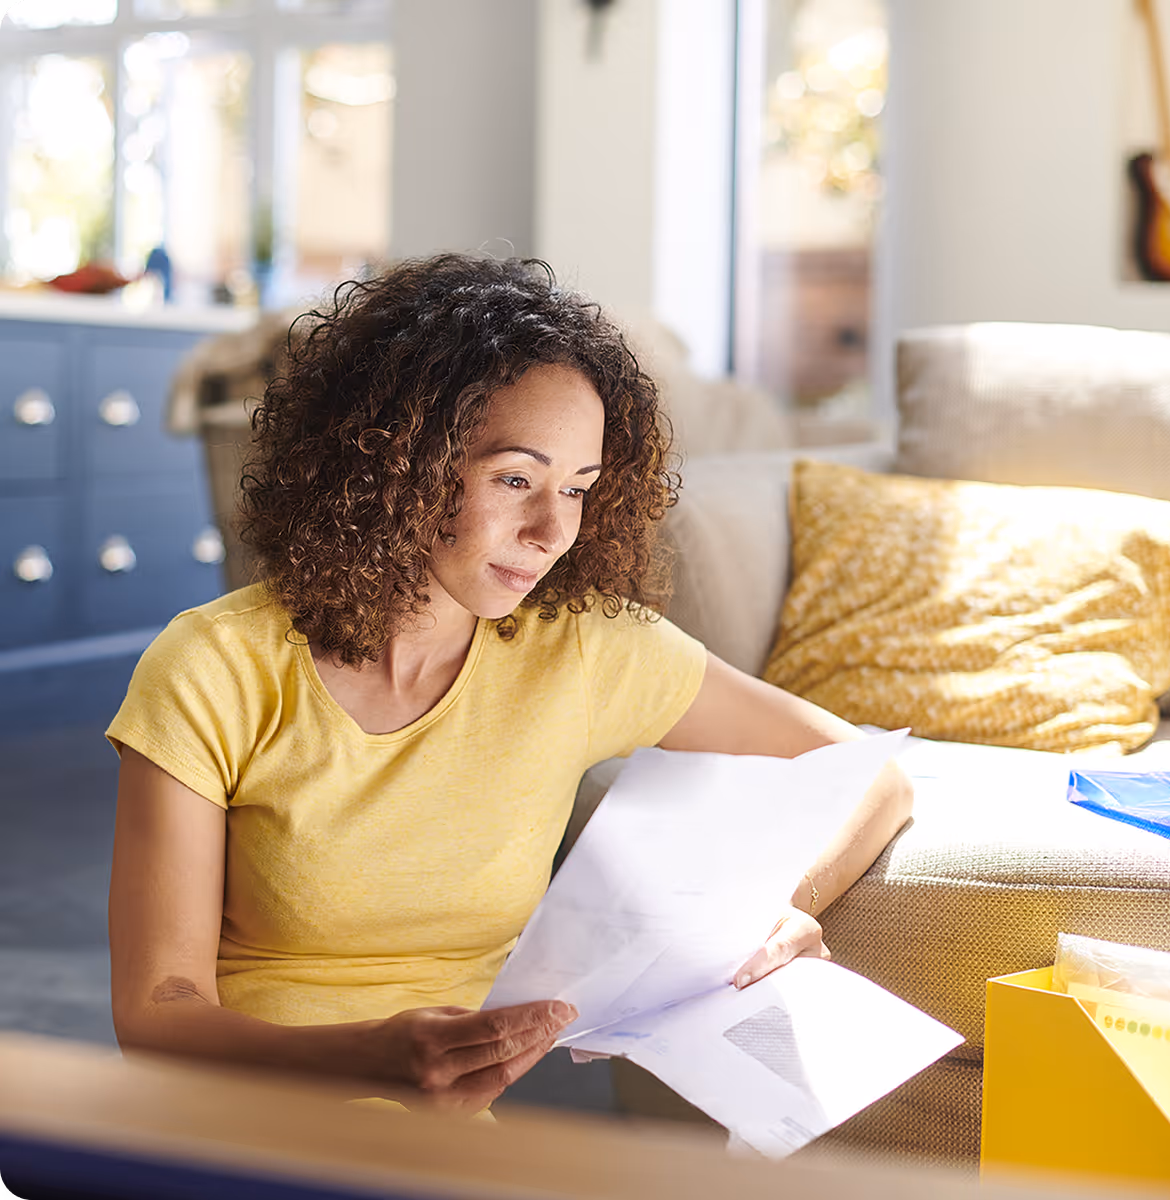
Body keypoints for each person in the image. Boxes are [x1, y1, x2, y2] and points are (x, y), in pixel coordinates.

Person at [106, 254, 912, 1116]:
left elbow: (870, 774)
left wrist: (786, 907)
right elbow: (158, 1012)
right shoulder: (213, 665)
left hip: (436, 1140)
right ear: (394, 462)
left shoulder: (585, 651)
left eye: (578, 488)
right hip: (234, 1118)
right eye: (515, 479)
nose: (551, 530)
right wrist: (371, 1058)